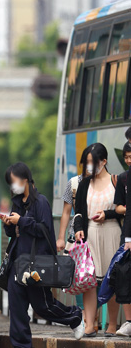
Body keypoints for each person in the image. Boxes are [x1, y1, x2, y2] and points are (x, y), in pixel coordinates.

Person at [0, 162, 84, 348]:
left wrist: (21, 221)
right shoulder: (18, 203)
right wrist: (9, 224)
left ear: (25, 179)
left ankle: (74, 316)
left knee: (42, 306)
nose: (13, 187)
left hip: (37, 263)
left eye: (14, 182)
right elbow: (15, 233)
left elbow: (45, 230)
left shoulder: (41, 203)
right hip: (18, 262)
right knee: (17, 304)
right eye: (10, 183)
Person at [73, 142, 122, 336]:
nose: (89, 167)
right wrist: (78, 229)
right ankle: (90, 324)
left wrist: (107, 214)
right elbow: (79, 213)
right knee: (90, 281)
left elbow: (122, 210)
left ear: (104, 161)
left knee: (112, 280)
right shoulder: (85, 183)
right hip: (91, 234)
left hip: (112, 233)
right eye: (86, 163)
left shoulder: (116, 181)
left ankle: (112, 324)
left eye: (93, 162)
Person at [57, 145, 92, 253]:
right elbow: (66, 212)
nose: (89, 165)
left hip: (96, 235)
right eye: (86, 162)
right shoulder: (73, 183)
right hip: (75, 236)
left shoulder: (106, 183)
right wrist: (61, 238)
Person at [114, 141, 131, 337]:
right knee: (125, 275)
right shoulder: (124, 178)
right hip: (127, 231)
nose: (128, 160)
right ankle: (128, 321)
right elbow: (118, 206)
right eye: (125, 157)